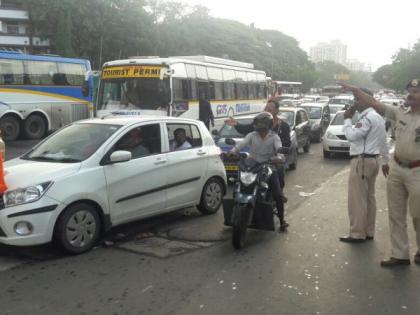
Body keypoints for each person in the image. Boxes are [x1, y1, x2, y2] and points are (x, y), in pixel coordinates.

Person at [340, 79, 420, 267]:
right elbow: (375, 103)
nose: (411, 94)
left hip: (418, 170)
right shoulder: (400, 112)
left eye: (416, 91)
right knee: (396, 214)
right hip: (398, 168)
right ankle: (400, 255)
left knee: (418, 214)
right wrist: (356, 90)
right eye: (409, 90)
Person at [338, 88, 390, 244]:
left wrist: (347, 119)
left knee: (357, 199)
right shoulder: (378, 117)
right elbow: (384, 141)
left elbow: (353, 136)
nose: (355, 102)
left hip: (361, 161)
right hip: (373, 160)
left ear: (367, 100)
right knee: (369, 198)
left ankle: (357, 233)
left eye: (357, 99)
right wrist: (385, 161)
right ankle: (369, 231)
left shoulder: (366, 118)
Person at [229, 112, 289, 231]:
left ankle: (282, 220)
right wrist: (232, 152)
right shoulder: (252, 135)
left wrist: (279, 157)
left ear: (267, 124)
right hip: (252, 166)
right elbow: (241, 145)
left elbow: (280, 151)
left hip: (269, 167)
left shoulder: (274, 137)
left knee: (277, 194)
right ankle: (237, 214)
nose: (258, 125)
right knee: (238, 184)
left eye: (260, 122)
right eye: (257, 123)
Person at [225, 99, 291, 199]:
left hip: (272, 161)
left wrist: (279, 154)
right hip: (255, 163)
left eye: (270, 109)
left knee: (279, 171)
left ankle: (280, 194)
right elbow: (245, 133)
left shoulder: (283, 127)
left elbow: (286, 144)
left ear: (277, 110)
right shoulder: (255, 131)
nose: (267, 110)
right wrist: (236, 125)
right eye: (266, 108)